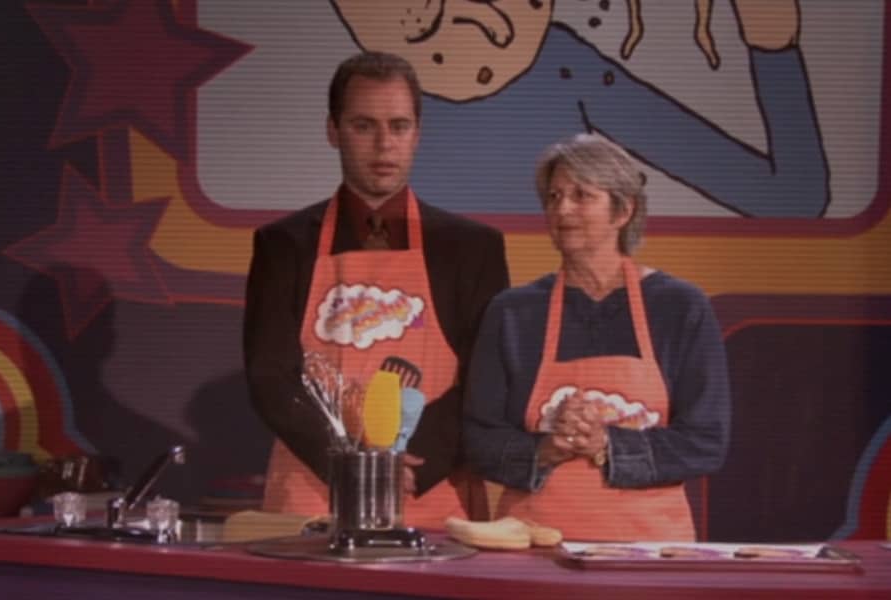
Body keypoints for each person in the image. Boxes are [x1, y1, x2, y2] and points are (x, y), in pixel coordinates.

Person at [243, 51, 509, 528]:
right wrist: (347, 460)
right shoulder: (282, 244)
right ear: (333, 130)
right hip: (315, 490)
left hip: (430, 495)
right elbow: (270, 377)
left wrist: (408, 464)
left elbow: (486, 381)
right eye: (364, 125)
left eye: (399, 126)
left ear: (417, 134)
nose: (384, 144)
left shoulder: (473, 248)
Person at [463, 134, 730, 540]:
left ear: (623, 210)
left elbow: (706, 440)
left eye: (580, 195)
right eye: (553, 197)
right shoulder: (513, 312)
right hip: (533, 547)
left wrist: (606, 442)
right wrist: (548, 448)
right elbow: (479, 438)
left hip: (649, 552)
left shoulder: (680, 307)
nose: (562, 209)